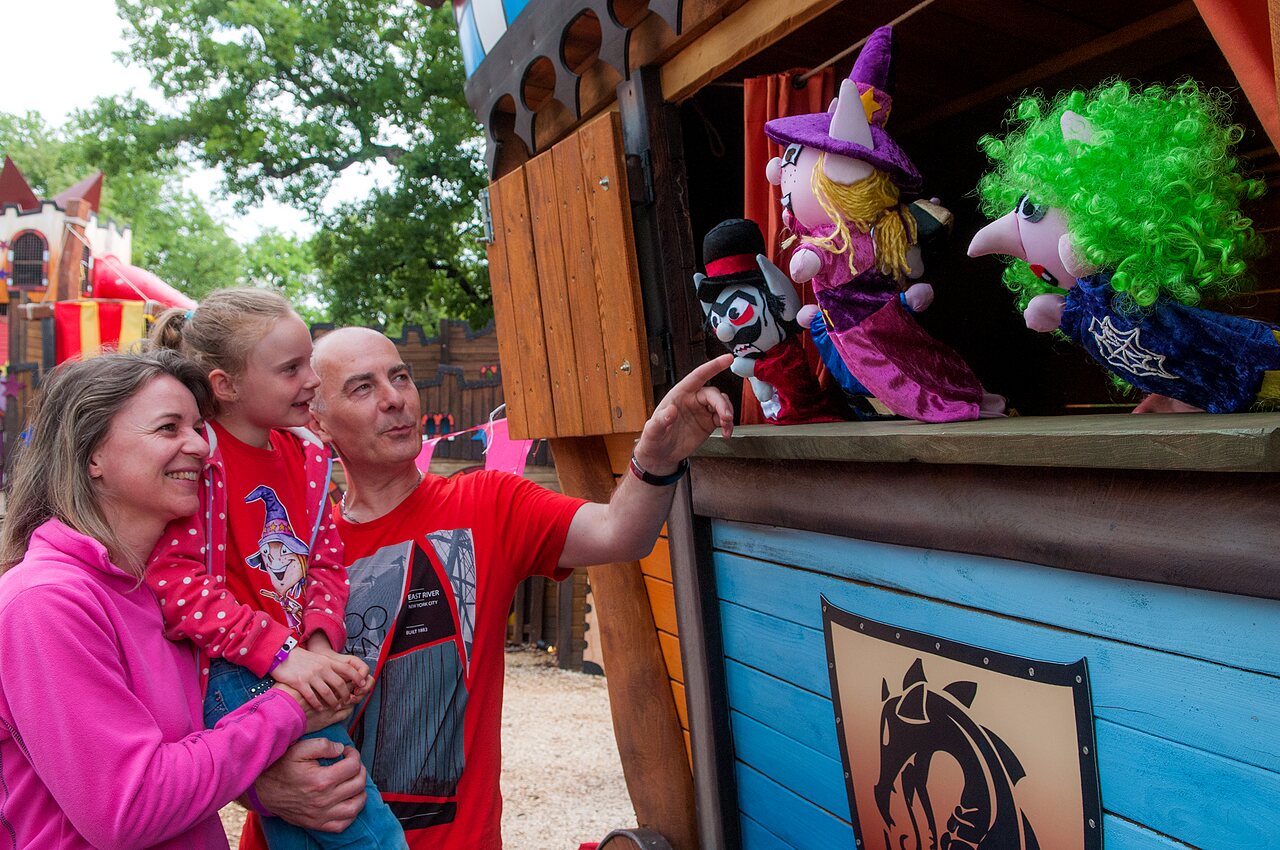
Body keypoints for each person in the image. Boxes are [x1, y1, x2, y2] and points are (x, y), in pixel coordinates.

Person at [239, 327, 734, 850]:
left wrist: (655, 460)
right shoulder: (289, 550)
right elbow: (207, 708)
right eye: (362, 388)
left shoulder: (487, 503)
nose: (395, 399)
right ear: (317, 421)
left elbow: (620, 531)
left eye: (400, 376)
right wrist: (259, 789)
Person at [0, 350, 350, 849]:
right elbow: (129, 808)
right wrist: (291, 705)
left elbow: (191, 754)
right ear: (91, 454)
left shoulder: (162, 596)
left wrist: (262, 788)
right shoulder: (47, 603)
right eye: (169, 428)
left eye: (197, 427)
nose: (202, 447)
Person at [147, 290, 405, 848]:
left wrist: (317, 643)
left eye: (308, 362)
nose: (311, 380)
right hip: (236, 671)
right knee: (362, 827)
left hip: (286, 663)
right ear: (226, 385)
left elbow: (326, 564)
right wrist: (285, 656)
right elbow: (177, 586)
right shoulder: (197, 461)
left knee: (316, 820)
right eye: (291, 369)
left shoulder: (308, 457)